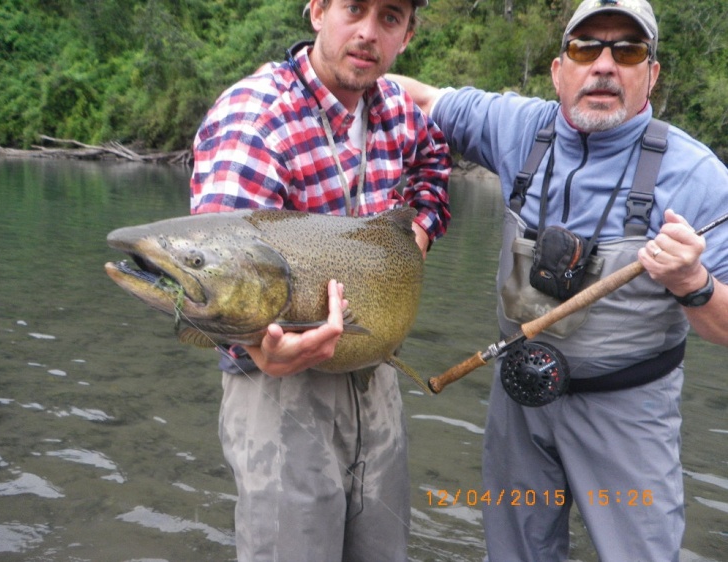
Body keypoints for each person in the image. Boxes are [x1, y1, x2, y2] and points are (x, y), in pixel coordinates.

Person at [390, 0, 728, 560]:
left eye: (628, 50)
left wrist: (693, 281)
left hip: (629, 411)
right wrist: (304, 75)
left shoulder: (700, 179)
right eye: (584, 48)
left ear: (652, 72)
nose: (604, 65)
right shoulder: (519, 128)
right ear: (558, 70)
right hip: (517, 398)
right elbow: (418, 97)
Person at [189, 0, 451, 560]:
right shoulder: (256, 117)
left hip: (374, 374)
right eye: (354, 8)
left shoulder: (398, 111)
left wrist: (416, 238)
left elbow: (433, 165)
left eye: (389, 17)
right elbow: (219, 268)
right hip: (280, 389)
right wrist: (259, 345)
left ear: (406, 35)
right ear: (316, 11)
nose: (367, 31)